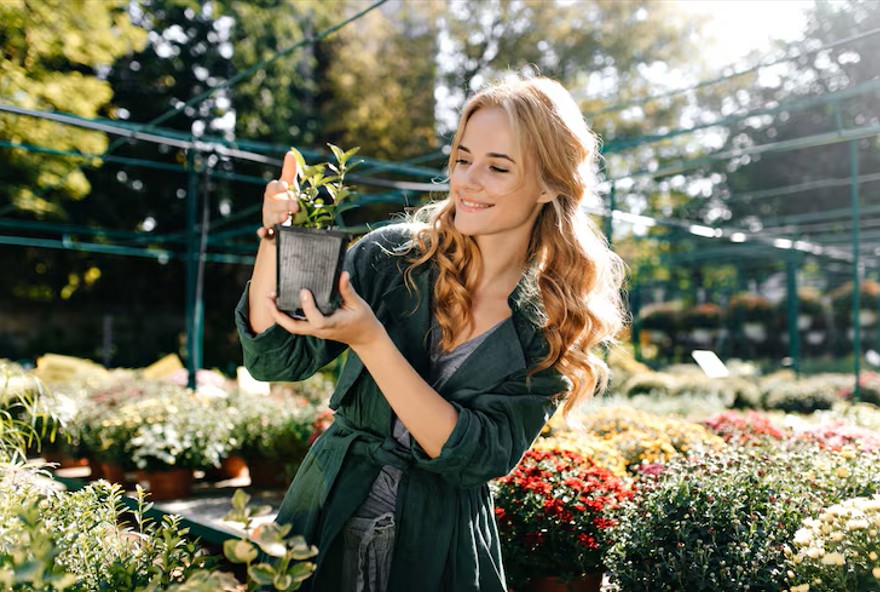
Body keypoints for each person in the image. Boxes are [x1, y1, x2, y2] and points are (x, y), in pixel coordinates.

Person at [235, 74, 626, 592]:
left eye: (498, 167)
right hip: (325, 508)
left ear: (551, 185)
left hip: (435, 544)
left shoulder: (553, 323)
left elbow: (477, 455)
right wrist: (276, 239)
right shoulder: (395, 258)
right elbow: (275, 359)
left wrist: (371, 340)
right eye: (463, 159)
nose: (467, 181)